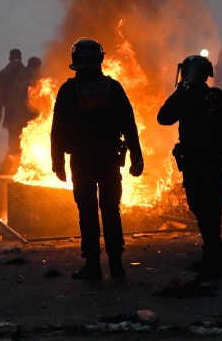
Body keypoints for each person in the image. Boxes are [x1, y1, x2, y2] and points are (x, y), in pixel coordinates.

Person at [50, 38, 144, 281]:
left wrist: (57, 162)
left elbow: (58, 129)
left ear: (75, 60)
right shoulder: (112, 88)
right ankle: (116, 264)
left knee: (88, 212)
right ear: (100, 58)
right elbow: (129, 125)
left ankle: (92, 265)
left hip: (82, 161)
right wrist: (136, 157)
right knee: (111, 210)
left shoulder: (68, 90)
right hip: (109, 159)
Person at [158, 54, 222, 277]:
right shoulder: (217, 97)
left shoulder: (188, 98)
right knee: (207, 208)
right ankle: (215, 254)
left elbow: (164, 117)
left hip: (198, 164)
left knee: (202, 207)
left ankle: (213, 255)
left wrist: (179, 92)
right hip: (208, 163)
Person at [4, 56, 43, 155]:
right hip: (29, 118)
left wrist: (7, 118)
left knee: (16, 146)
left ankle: (9, 168)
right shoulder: (34, 81)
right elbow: (38, 102)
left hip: (16, 118)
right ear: (37, 67)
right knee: (29, 146)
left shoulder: (18, 80)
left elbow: (10, 100)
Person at [0, 49, 26, 149]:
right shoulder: (27, 72)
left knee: (12, 134)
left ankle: (14, 155)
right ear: (20, 57)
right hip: (25, 108)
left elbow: (0, 92)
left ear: (10, 58)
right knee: (26, 132)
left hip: (9, 108)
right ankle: (24, 156)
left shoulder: (3, 73)